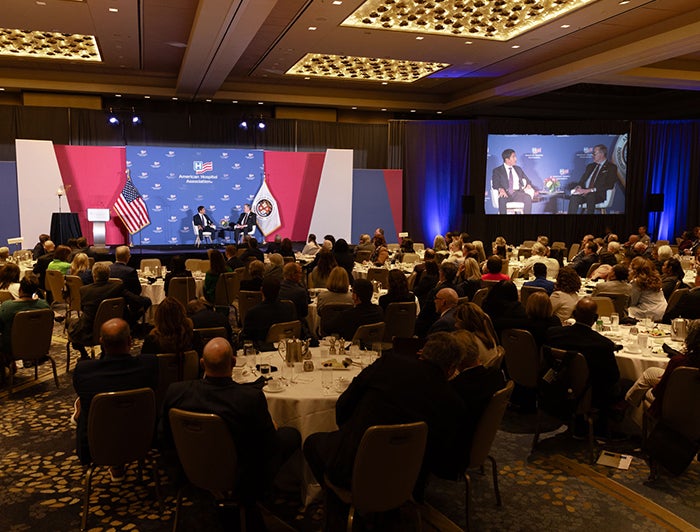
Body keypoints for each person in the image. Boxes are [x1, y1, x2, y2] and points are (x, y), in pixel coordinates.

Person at [303, 332, 466, 494]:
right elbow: (444, 460)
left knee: (312, 442)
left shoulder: (389, 363)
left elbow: (344, 405)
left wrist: (348, 431)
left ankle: (336, 501)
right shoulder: (454, 403)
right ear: (452, 369)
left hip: (352, 469)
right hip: (408, 481)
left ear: (422, 352)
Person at [159, 337, 301, 506]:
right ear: (233, 362)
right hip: (240, 477)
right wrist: (272, 427)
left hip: (189, 469)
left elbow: (163, 436)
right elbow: (268, 446)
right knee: (291, 435)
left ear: (202, 364)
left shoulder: (176, 392)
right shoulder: (250, 398)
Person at [72, 318, 158, 467]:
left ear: (101, 343)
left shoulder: (84, 371)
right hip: (143, 439)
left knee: (84, 406)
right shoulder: (150, 365)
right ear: (130, 341)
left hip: (96, 444)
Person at [546, 298, 621, 434]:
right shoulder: (603, 345)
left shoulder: (553, 334)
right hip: (588, 395)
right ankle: (605, 429)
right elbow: (613, 377)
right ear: (595, 318)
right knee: (623, 385)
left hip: (554, 388)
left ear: (574, 314)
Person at [68, 262, 151, 359]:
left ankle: (84, 354)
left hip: (88, 332)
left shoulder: (84, 290)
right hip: (115, 330)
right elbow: (139, 301)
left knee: (70, 323)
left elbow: (82, 309)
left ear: (94, 276)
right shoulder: (117, 287)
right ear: (108, 275)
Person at [625, 319, 700, 427]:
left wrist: (659, 383)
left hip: (673, 404)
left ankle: (630, 419)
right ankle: (627, 405)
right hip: (694, 398)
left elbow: (659, 392)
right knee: (650, 372)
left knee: (644, 388)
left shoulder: (679, 362)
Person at [449, 329, 506, 458]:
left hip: (458, 447)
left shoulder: (457, 388)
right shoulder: (496, 376)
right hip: (481, 439)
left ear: (457, 358)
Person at [0, 274, 50, 369]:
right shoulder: (44, 306)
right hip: (40, 346)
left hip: (12, 349)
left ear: (20, 289)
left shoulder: (7, 307)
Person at [242, 277, 296, 347]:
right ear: (279, 291)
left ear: (261, 290)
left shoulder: (253, 313)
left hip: (262, 350)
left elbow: (247, 340)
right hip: (284, 347)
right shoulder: (289, 308)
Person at [567, 144, 618, 214]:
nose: (592, 155)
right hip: (584, 193)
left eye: (594, 153)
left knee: (591, 196)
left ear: (601, 154)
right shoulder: (590, 166)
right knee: (574, 197)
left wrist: (590, 190)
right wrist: (579, 186)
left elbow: (609, 185)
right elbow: (582, 181)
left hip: (597, 194)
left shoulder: (611, 167)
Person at [491, 148, 535, 214]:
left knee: (527, 197)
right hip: (505, 194)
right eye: (513, 157)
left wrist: (528, 184)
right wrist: (501, 189)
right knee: (502, 199)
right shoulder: (497, 170)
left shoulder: (518, 169)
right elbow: (495, 183)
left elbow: (528, 180)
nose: (516, 159)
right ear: (507, 159)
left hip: (517, 194)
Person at [628, 256, 667, 322]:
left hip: (649, 312)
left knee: (627, 310)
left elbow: (633, 302)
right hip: (663, 310)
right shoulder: (656, 278)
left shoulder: (636, 282)